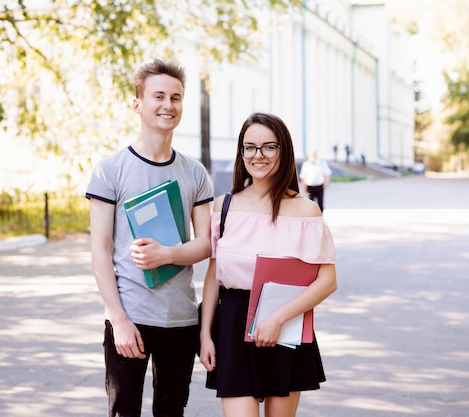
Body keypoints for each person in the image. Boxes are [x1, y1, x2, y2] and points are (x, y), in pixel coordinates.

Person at [85, 59, 214, 417]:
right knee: (124, 411)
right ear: (137, 103)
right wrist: (118, 320)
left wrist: (168, 254)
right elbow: (100, 250)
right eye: (158, 96)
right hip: (130, 318)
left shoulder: (195, 172)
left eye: (176, 98)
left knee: (171, 413)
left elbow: (206, 243)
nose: (168, 105)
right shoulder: (110, 170)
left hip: (181, 319)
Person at [199, 112, 338, 417]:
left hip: (286, 323)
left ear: (283, 151)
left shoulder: (306, 211)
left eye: (268, 147)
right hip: (233, 325)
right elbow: (213, 276)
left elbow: (327, 281)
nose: (257, 155)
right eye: (249, 147)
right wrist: (205, 334)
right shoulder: (225, 206)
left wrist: (277, 319)